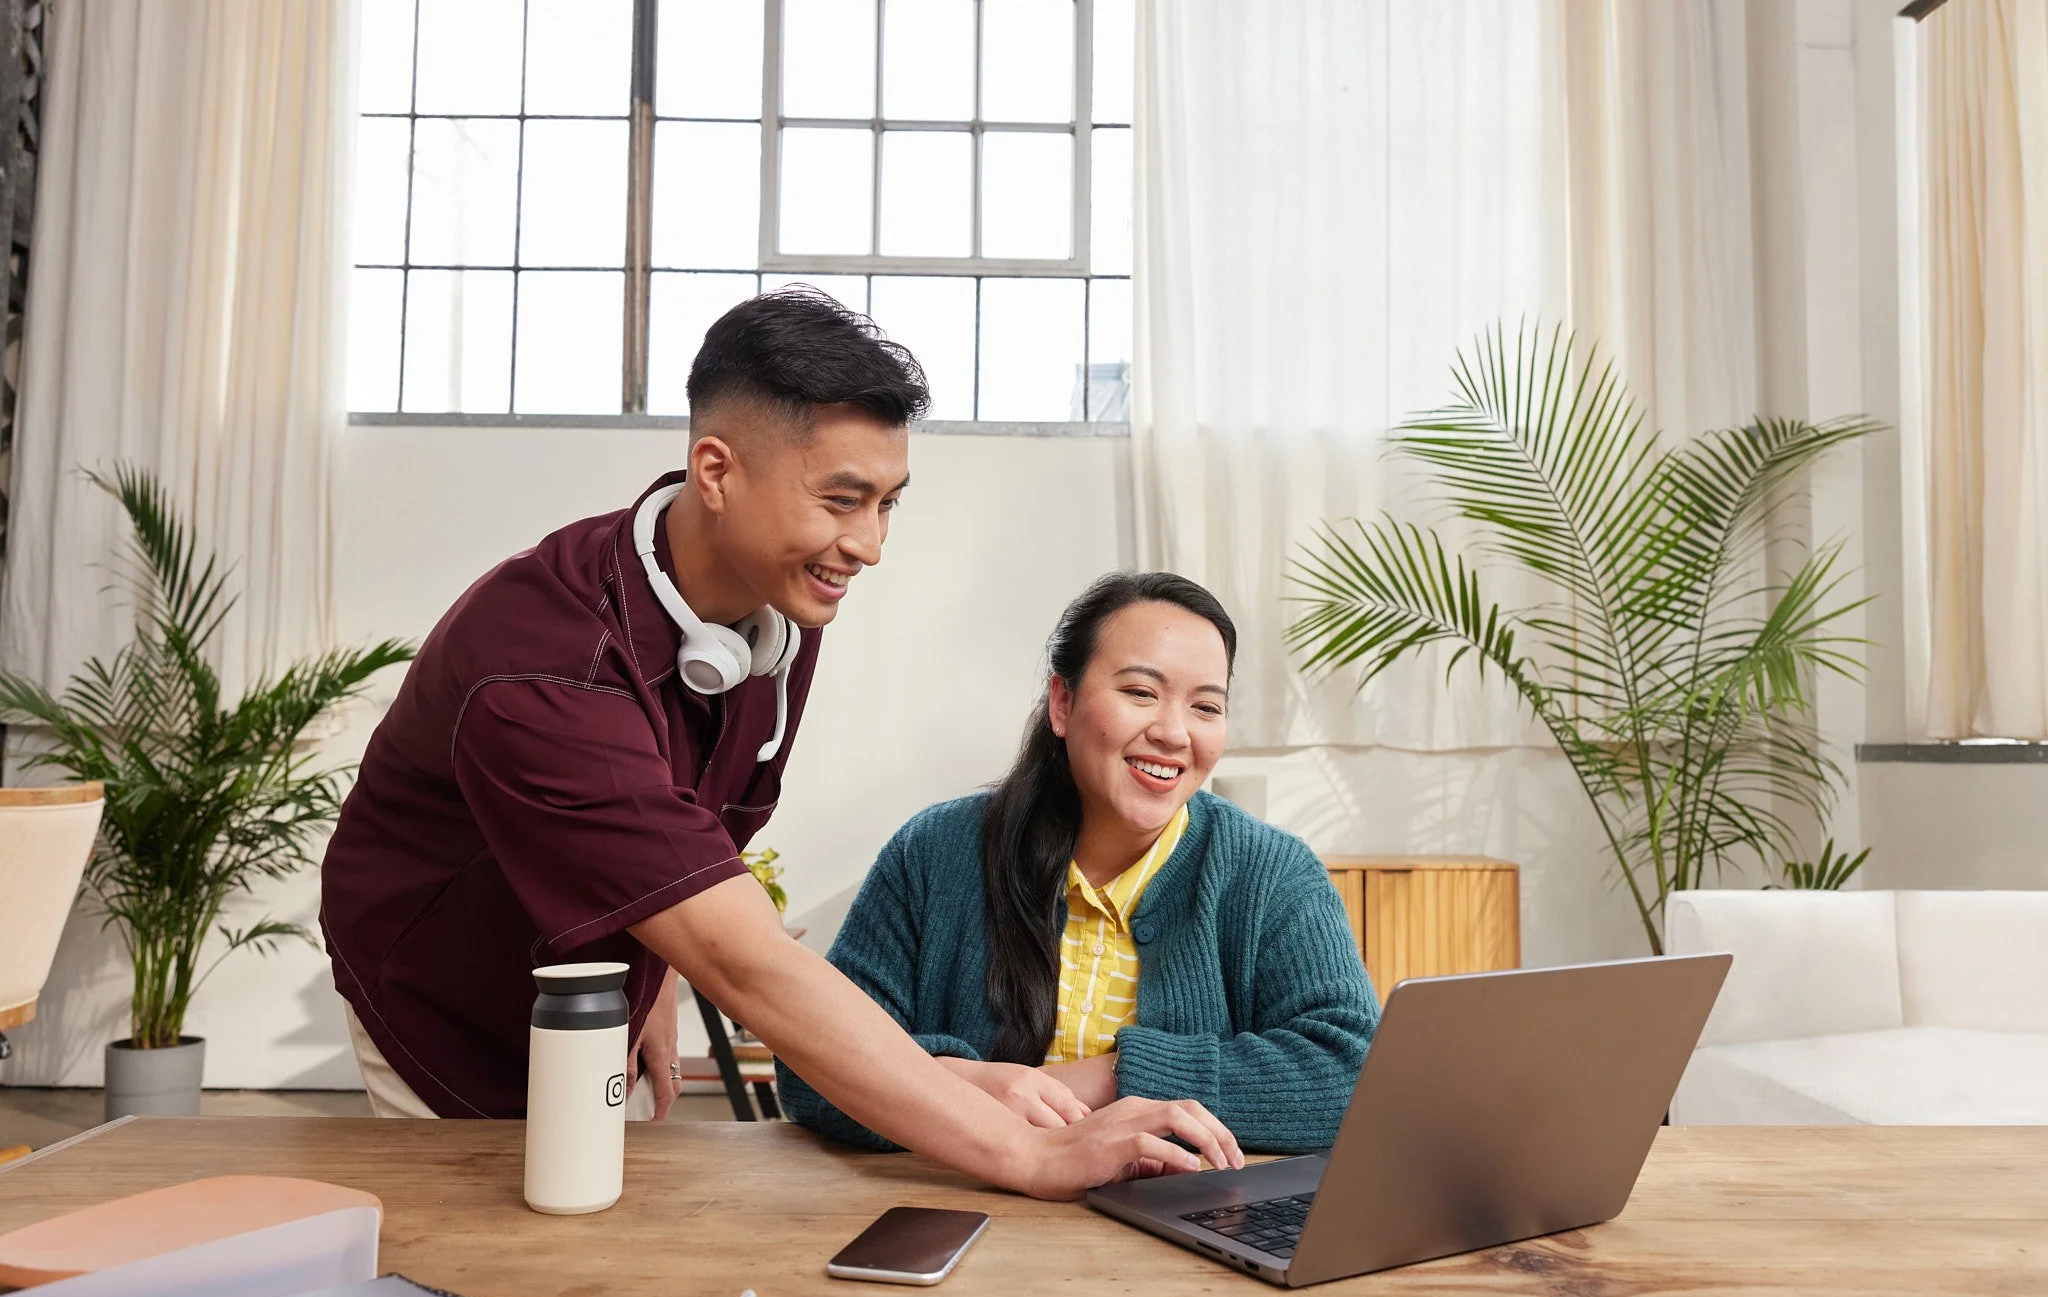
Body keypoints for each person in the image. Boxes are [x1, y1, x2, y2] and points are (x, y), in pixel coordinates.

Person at [319, 289, 1243, 1199]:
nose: (870, 545)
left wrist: (652, 958)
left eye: (888, 504)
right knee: (499, 1257)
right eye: (842, 500)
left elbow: (694, 837)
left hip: (600, 995)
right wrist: (1029, 1154)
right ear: (717, 472)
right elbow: (752, 963)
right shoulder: (543, 667)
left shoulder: (776, 613)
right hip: (448, 1006)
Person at [778, 572, 1379, 1153]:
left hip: (1179, 1234)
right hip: (962, 1210)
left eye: (1205, 707)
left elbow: (1354, 1075)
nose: (1173, 732)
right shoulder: (936, 852)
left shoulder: (1271, 873)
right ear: (1062, 704)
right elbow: (812, 1070)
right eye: (1141, 693)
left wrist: (1112, 1078)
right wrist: (969, 1086)